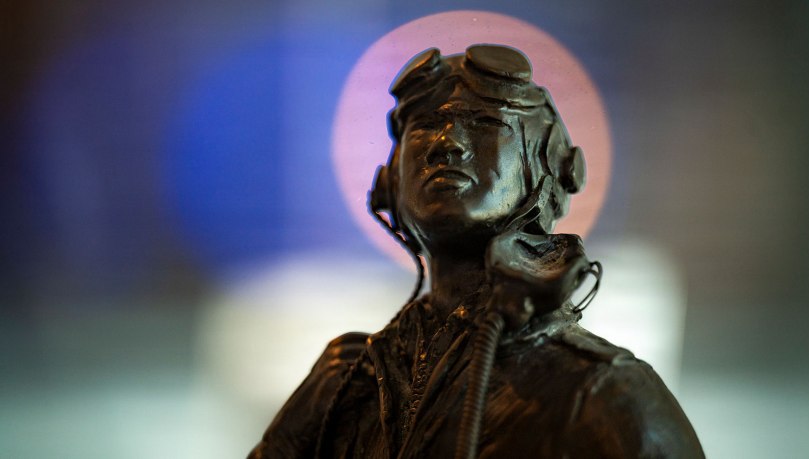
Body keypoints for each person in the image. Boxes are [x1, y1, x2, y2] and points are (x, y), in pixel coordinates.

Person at [249, 44, 704, 458]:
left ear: (545, 171)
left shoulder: (606, 393)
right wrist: (288, 441)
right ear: (389, 183)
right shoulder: (350, 386)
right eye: (426, 126)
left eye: (485, 124)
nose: (447, 143)